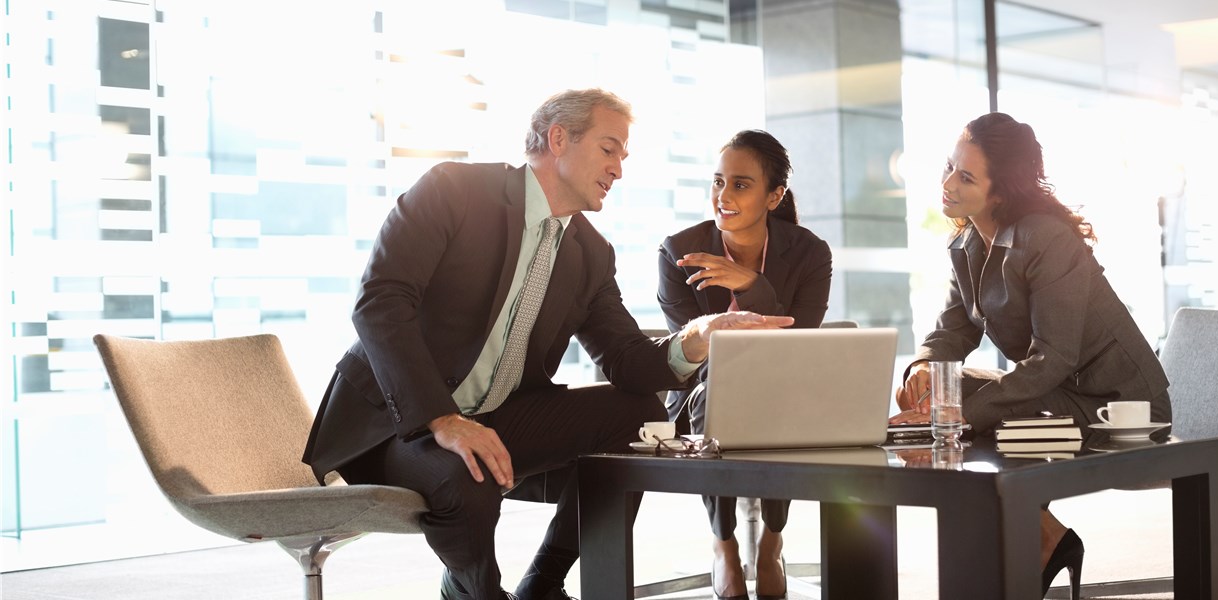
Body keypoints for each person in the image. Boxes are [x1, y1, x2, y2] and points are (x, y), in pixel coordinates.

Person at [301, 89, 794, 600]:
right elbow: (379, 301)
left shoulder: (591, 253)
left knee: (637, 414)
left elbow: (626, 360)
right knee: (464, 472)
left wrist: (695, 338)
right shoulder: (455, 190)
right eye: (609, 149)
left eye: (623, 156)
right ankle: (476, 591)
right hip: (394, 425)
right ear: (559, 138)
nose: (619, 170)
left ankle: (544, 582)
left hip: (495, 417)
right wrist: (443, 420)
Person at [888, 112, 1171, 600]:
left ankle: (1034, 541)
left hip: (1119, 404)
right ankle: (1044, 537)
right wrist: (923, 371)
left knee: (965, 406)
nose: (947, 182)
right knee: (952, 390)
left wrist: (954, 409)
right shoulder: (967, 243)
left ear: (1001, 191)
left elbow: (1053, 358)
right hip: (1057, 392)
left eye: (966, 175)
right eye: (949, 166)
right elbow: (950, 332)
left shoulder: (1047, 238)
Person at [657, 129, 833, 600]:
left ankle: (772, 538)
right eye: (718, 181)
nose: (723, 196)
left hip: (784, 386)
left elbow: (797, 340)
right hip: (699, 392)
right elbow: (695, 353)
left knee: (776, 386)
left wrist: (753, 285)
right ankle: (724, 543)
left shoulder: (810, 252)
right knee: (722, 384)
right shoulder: (679, 252)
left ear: (774, 195)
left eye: (740, 184)